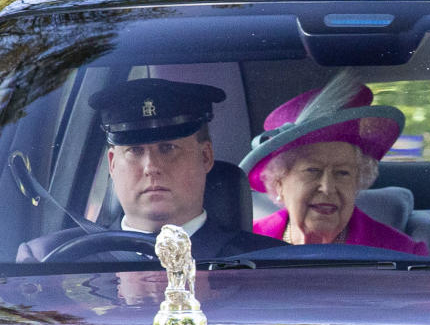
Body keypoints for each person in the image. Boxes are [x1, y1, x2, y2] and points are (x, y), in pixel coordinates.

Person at [17, 78, 284, 261]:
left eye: (168, 148)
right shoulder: (49, 259)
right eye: (134, 151)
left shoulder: (270, 264)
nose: (151, 167)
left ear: (205, 156)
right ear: (112, 163)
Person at [243, 73, 428, 256]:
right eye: (313, 170)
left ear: (357, 182)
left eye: (343, 173)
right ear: (279, 182)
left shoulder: (402, 253)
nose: (328, 188)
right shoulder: (244, 244)